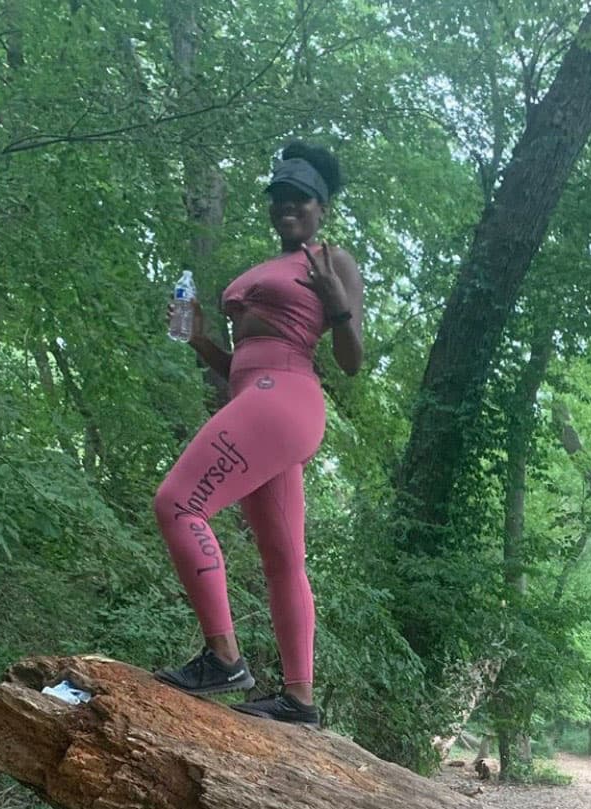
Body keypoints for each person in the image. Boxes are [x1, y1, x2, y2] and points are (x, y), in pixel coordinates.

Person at [153, 142, 363, 726]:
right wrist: (198, 335)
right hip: (259, 399)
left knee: (177, 504)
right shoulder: (266, 266)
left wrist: (336, 305)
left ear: (321, 207)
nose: (287, 207)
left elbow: (350, 360)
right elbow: (240, 365)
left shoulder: (330, 261)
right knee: (283, 559)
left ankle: (223, 658)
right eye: (279, 198)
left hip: (288, 397)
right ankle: (299, 700)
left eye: (300, 198)